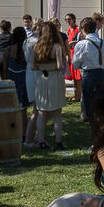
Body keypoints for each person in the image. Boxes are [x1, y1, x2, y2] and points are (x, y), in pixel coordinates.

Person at [32, 20, 67, 150]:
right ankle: (58, 141)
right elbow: (59, 65)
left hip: (42, 78)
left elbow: (33, 66)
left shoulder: (37, 45)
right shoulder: (57, 46)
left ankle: (41, 141)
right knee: (57, 112)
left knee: (42, 112)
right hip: (54, 78)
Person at [72, 16, 104, 123]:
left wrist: (81, 65)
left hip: (88, 73)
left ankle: (91, 119)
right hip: (101, 73)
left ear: (83, 29)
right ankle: (100, 118)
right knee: (100, 99)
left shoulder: (82, 44)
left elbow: (75, 63)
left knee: (88, 99)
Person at [22, 20, 41, 146]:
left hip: (28, 70)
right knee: (38, 108)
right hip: (37, 71)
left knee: (37, 106)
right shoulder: (38, 42)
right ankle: (33, 137)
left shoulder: (26, 41)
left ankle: (37, 136)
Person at [7, 24, 30, 111]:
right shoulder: (25, 46)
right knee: (22, 96)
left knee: (14, 95)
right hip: (23, 72)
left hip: (13, 72)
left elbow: (10, 59)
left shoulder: (12, 46)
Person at [63, 12, 82, 102]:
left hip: (77, 54)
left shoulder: (78, 30)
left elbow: (81, 41)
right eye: (66, 20)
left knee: (78, 77)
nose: (67, 21)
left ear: (74, 20)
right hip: (71, 54)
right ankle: (76, 94)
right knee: (74, 77)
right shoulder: (68, 30)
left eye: (69, 19)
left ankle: (79, 95)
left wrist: (72, 43)